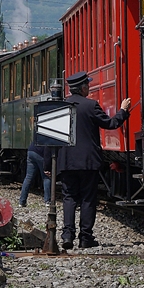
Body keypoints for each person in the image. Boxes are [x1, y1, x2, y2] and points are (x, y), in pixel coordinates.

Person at [58, 72, 130, 250]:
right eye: (88, 86)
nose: (89, 89)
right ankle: (85, 238)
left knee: (69, 198)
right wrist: (123, 111)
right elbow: (111, 124)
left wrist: (47, 165)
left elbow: (51, 139)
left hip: (66, 161)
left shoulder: (60, 107)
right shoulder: (91, 106)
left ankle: (67, 235)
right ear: (83, 88)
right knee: (88, 199)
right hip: (88, 161)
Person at [19, 138, 52, 207]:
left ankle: (22, 201)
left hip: (31, 150)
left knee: (28, 177)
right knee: (46, 177)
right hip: (40, 153)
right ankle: (47, 201)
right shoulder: (49, 134)